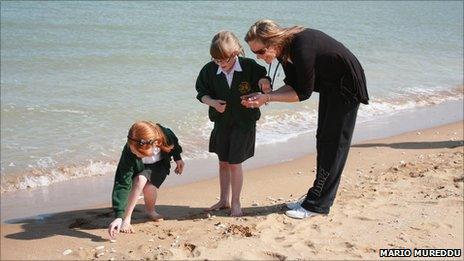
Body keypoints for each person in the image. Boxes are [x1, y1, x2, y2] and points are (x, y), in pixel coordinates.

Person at [242, 19, 369, 219]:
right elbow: (293, 85)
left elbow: (302, 93)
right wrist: (268, 95)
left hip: (347, 85)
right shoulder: (285, 52)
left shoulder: (301, 46)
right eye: (254, 53)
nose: (258, 58)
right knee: (323, 138)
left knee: (334, 144)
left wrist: (268, 97)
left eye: (260, 52)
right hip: (331, 85)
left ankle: (318, 205)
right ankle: (315, 196)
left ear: (273, 42)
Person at [195, 30, 270, 217]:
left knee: (235, 163)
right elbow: (201, 93)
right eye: (216, 60)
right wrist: (212, 103)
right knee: (223, 162)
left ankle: (236, 203)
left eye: (224, 61)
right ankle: (223, 200)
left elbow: (263, 78)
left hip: (244, 123)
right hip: (221, 122)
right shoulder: (209, 70)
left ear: (235, 53)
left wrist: (263, 84)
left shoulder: (248, 66)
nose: (221, 64)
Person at [108, 121, 184, 238]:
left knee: (149, 187)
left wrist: (178, 158)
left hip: (159, 165)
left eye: (137, 153)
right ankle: (126, 219)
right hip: (139, 168)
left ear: (152, 145)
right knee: (140, 180)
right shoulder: (129, 150)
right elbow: (122, 181)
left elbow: (174, 142)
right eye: (132, 151)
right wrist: (119, 215)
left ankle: (150, 210)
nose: (134, 154)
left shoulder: (165, 135)